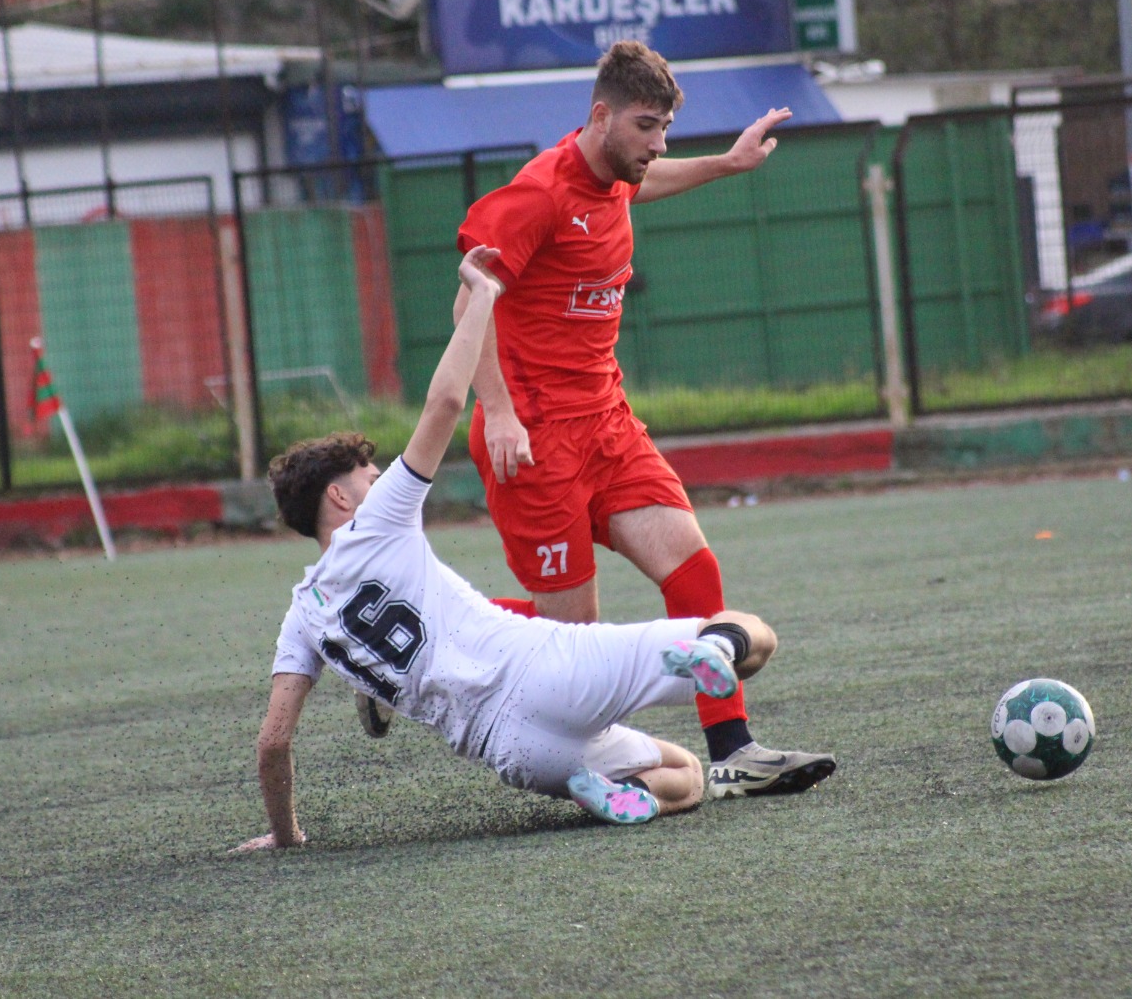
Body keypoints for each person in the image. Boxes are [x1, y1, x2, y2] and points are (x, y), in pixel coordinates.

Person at [232, 246, 786, 850]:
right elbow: (446, 401)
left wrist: (285, 834)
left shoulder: (302, 619)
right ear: (340, 497)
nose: (381, 479)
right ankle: (712, 649)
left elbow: (273, 742)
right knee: (754, 638)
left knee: (685, 774)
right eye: (371, 476)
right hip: (543, 670)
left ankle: (628, 794)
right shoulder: (378, 523)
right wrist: (482, 297)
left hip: (510, 750)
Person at [450, 40, 834, 798]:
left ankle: (734, 750)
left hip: (607, 422)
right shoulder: (540, 194)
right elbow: (469, 299)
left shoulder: (617, 174)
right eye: (646, 127)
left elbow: (643, 183)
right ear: (601, 116)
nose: (657, 145)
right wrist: (496, 410)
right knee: (574, 647)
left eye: (665, 128)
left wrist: (727, 163)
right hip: (534, 438)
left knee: (694, 568)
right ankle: (424, 639)